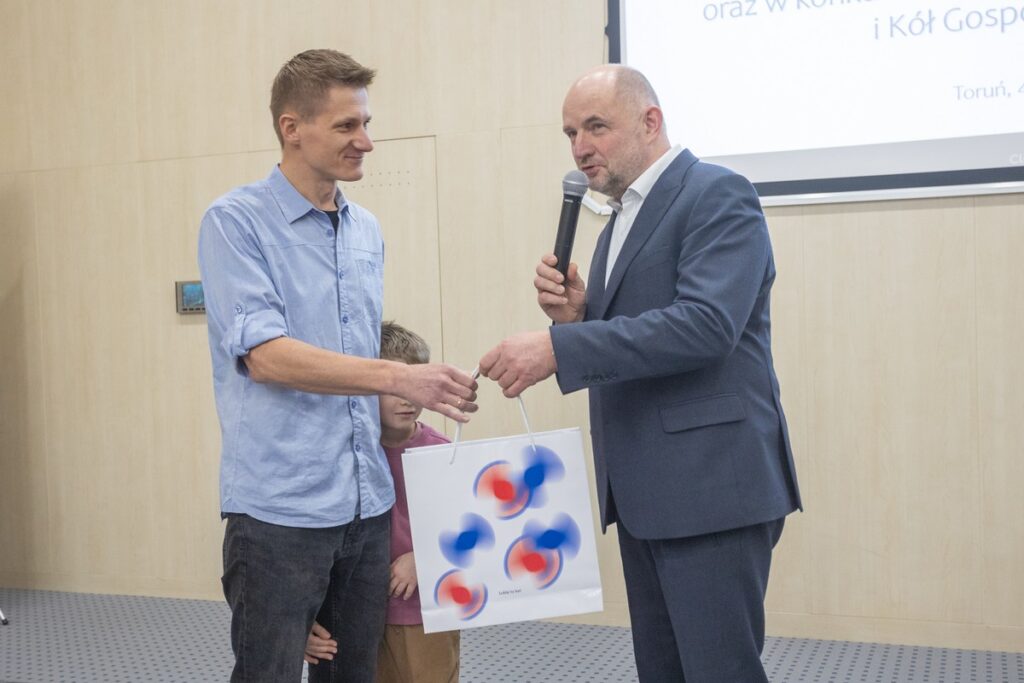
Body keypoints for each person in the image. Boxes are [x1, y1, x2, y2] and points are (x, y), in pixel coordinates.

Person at [478, 65, 802, 682]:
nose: (580, 147)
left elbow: (705, 325)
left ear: (650, 121)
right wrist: (577, 317)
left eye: (596, 126)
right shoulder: (619, 216)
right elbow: (640, 331)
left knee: (718, 672)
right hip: (647, 491)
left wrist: (557, 350)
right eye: (571, 132)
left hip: (711, 489)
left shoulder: (716, 193)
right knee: (665, 671)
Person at [198, 49, 477, 683]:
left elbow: (354, 350)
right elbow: (265, 357)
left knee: (353, 674)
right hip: (280, 510)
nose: (367, 142)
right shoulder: (235, 223)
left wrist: (416, 388)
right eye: (347, 126)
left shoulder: (365, 230)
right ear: (292, 128)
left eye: (367, 123)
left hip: (367, 501)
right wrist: (401, 377)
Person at [304, 321, 461, 683]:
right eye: (395, 385)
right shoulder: (342, 454)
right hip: (355, 613)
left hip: (424, 613)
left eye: (415, 383)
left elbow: (467, 530)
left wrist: (425, 557)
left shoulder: (441, 452)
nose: (407, 398)